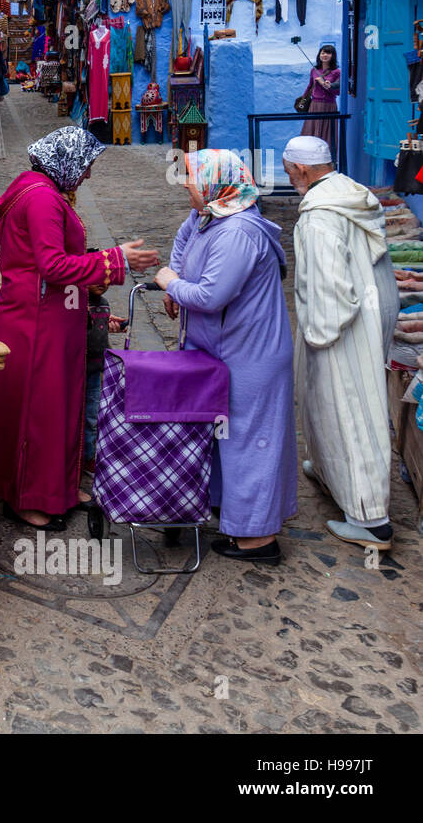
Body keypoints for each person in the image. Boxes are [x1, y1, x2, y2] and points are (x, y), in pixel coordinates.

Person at [0, 126, 159, 530]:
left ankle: (58, 489)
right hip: (36, 324)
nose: (88, 175)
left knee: (61, 408)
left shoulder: (40, 189)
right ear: (66, 162)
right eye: (86, 166)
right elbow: (53, 266)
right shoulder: (43, 198)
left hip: (51, 318)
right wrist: (116, 260)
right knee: (37, 414)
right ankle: (26, 497)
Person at [155, 150, 298, 565]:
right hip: (220, 348)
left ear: (218, 182)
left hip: (251, 354)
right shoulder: (210, 215)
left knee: (251, 440)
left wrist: (172, 283)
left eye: (193, 179)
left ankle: (258, 538)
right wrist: (174, 277)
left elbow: (211, 295)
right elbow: (184, 240)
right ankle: (228, 509)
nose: (185, 184)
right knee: (219, 436)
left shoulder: (238, 231)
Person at [286, 136, 399, 551]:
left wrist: (319, 333)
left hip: (343, 325)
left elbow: (329, 286)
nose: (287, 174)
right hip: (370, 312)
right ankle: (333, 473)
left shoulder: (318, 217)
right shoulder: (350, 194)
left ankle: (371, 521)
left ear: (300, 170)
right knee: (332, 407)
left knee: (350, 410)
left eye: (287, 168)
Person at [83, 284, 125, 476]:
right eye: (97, 277)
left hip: (94, 371)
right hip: (78, 369)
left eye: (107, 279)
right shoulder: (79, 304)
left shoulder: (104, 305)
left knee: (92, 417)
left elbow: (101, 333)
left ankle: (89, 457)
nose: (103, 283)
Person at [299, 44, 340, 158]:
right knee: (311, 132)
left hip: (329, 106)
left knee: (327, 134)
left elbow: (338, 92)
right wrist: (303, 101)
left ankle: (327, 160)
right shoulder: (314, 70)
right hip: (314, 105)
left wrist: (326, 85)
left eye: (328, 53)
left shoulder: (336, 72)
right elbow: (309, 86)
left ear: (333, 56)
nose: (325, 55)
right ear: (319, 55)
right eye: (323, 52)